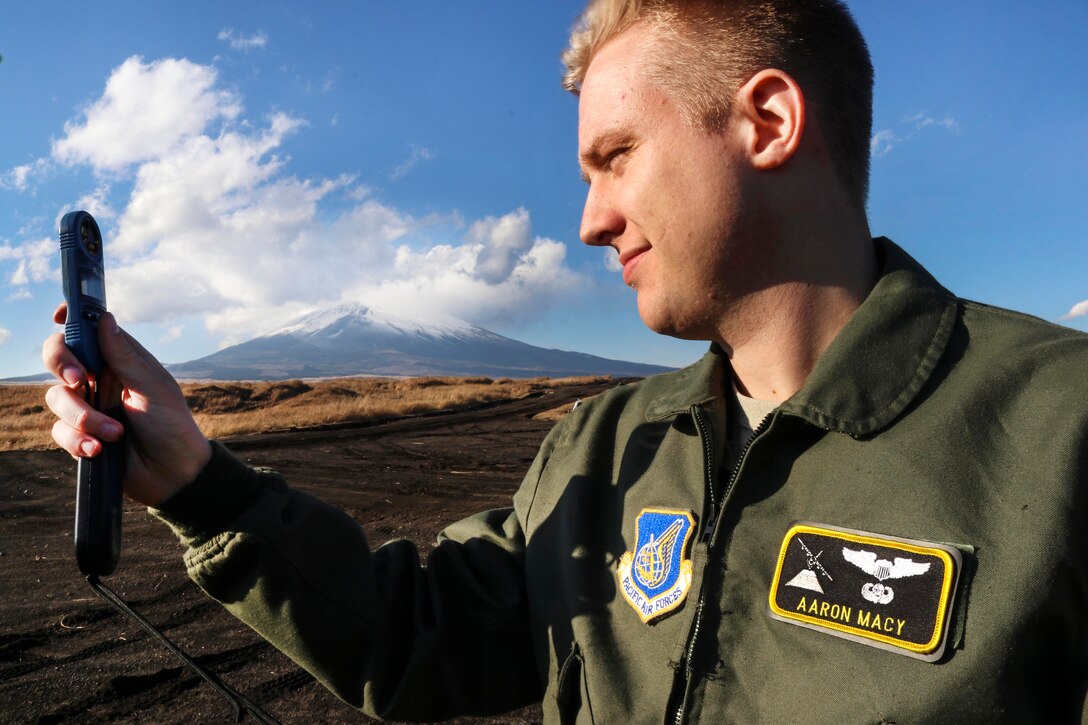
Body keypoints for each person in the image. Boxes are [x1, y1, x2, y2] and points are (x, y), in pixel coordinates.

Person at [44, 0, 1088, 722]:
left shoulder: (1058, 428)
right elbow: (416, 632)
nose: (589, 221)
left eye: (615, 156)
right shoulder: (607, 446)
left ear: (766, 121)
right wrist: (193, 479)